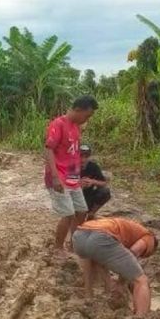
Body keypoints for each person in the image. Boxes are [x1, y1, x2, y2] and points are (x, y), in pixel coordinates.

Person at [44, 96, 99, 258]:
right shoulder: (58, 124)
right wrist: (55, 177)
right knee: (68, 214)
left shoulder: (76, 127)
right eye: (87, 115)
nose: (87, 119)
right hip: (58, 176)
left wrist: (76, 179)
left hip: (72, 177)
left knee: (81, 211)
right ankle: (58, 247)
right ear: (78, 110)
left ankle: (74, 243)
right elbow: (48, 150)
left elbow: (73, 154)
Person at [71, 217, 157, 315]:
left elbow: (101, 259)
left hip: (79, 236)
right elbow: (134, 251)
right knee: (141, 280)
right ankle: (141, 318)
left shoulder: (128, 229)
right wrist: (121, 283)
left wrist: (110, 284)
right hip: (101, 237)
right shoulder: (149, 238)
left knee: (93, 258)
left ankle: (89, 295)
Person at [79, 144, 111, 220]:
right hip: (74, 196)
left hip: (88, 196)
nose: (83, 159)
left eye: (86, 157)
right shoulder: (71, 166)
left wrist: (92, 182)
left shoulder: (93, 166)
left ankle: (91, 213)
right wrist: (78, 184)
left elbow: (103, 183)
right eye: (81, 156)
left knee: (105, 191)